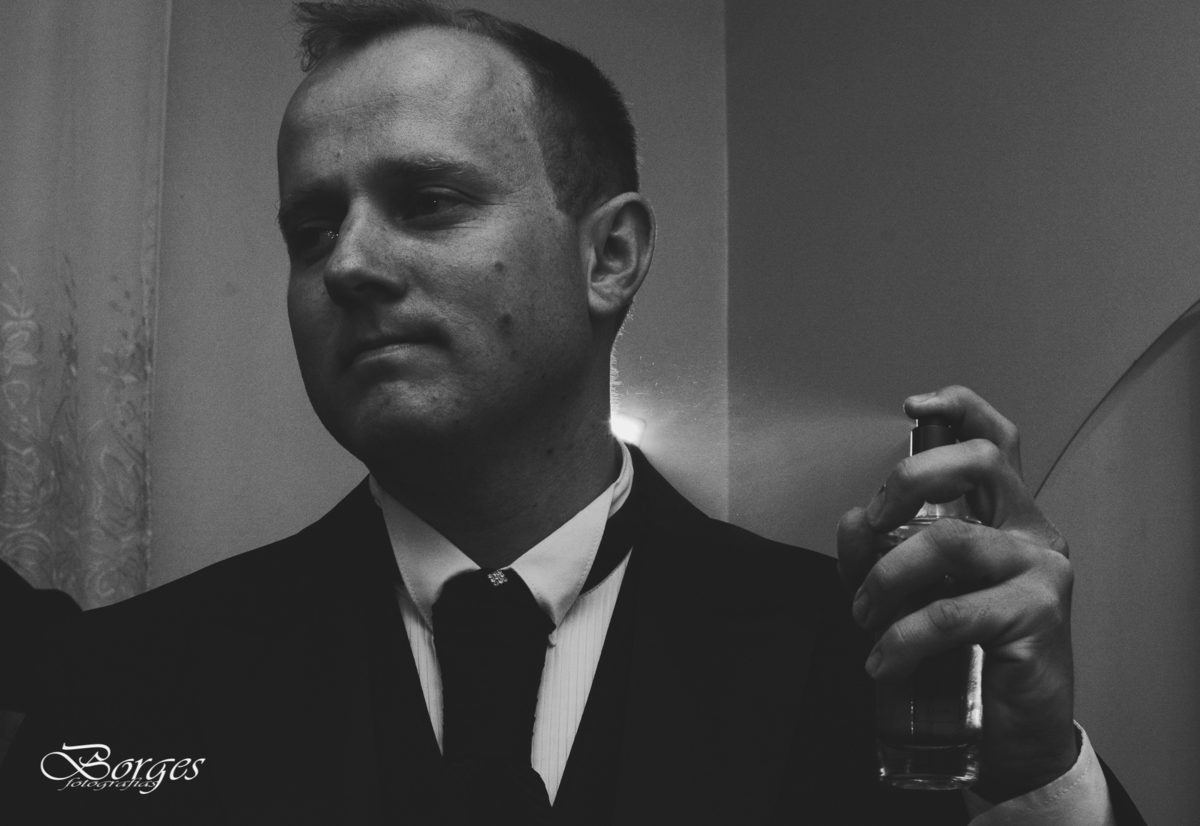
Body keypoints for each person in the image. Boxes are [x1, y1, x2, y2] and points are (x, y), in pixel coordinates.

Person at [0, 2, 1146, 824]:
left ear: (610, 256)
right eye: (311, 230)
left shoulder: (868, 668)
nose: (345, 264)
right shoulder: (128, 682)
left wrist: (1040, 777)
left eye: (427, 201)